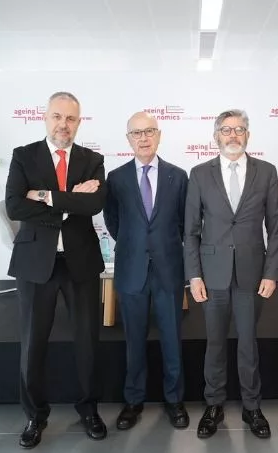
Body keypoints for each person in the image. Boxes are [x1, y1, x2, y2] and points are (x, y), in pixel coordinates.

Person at [4, 91, 107, 448]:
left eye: (71, 118)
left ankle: (89, 409)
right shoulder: (24, 156)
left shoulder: (92, 159)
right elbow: (15, 206)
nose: (64, 124)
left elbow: (93, 205)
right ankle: (35, 415)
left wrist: (44, 195)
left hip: (80, 262)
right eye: (57, 117)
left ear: (79, 122)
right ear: (45, 118)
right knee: (33, 344)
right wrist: (69, 198)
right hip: (36, 262)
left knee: (88, 343)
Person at [184, 109, 278, 439]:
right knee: (214, 344)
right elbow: (190, 231)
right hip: (211, 275)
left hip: (252, 275)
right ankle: (213, 405)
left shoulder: (266, 172)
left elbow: (275, 228)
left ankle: (252, 407)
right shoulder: (199, 174)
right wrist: (194, 276)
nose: (233, 135)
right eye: (226, 130)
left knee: (248, 344)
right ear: (216, 136)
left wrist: (271, 273)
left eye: (239, 129)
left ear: (248, 135)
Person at [103, 111, 190, 430]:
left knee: (172, 339)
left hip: (169, 268)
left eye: (149, 131)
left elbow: (184, 222)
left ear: (159, 135)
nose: (143, 138)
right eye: (136, 133)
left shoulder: (178, 176)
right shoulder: (116, 178)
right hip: (132, 269)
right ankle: (133, 401)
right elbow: (113, 220)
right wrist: (136, 244)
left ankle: (174, 400)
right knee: (134, 341)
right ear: (128, 139)